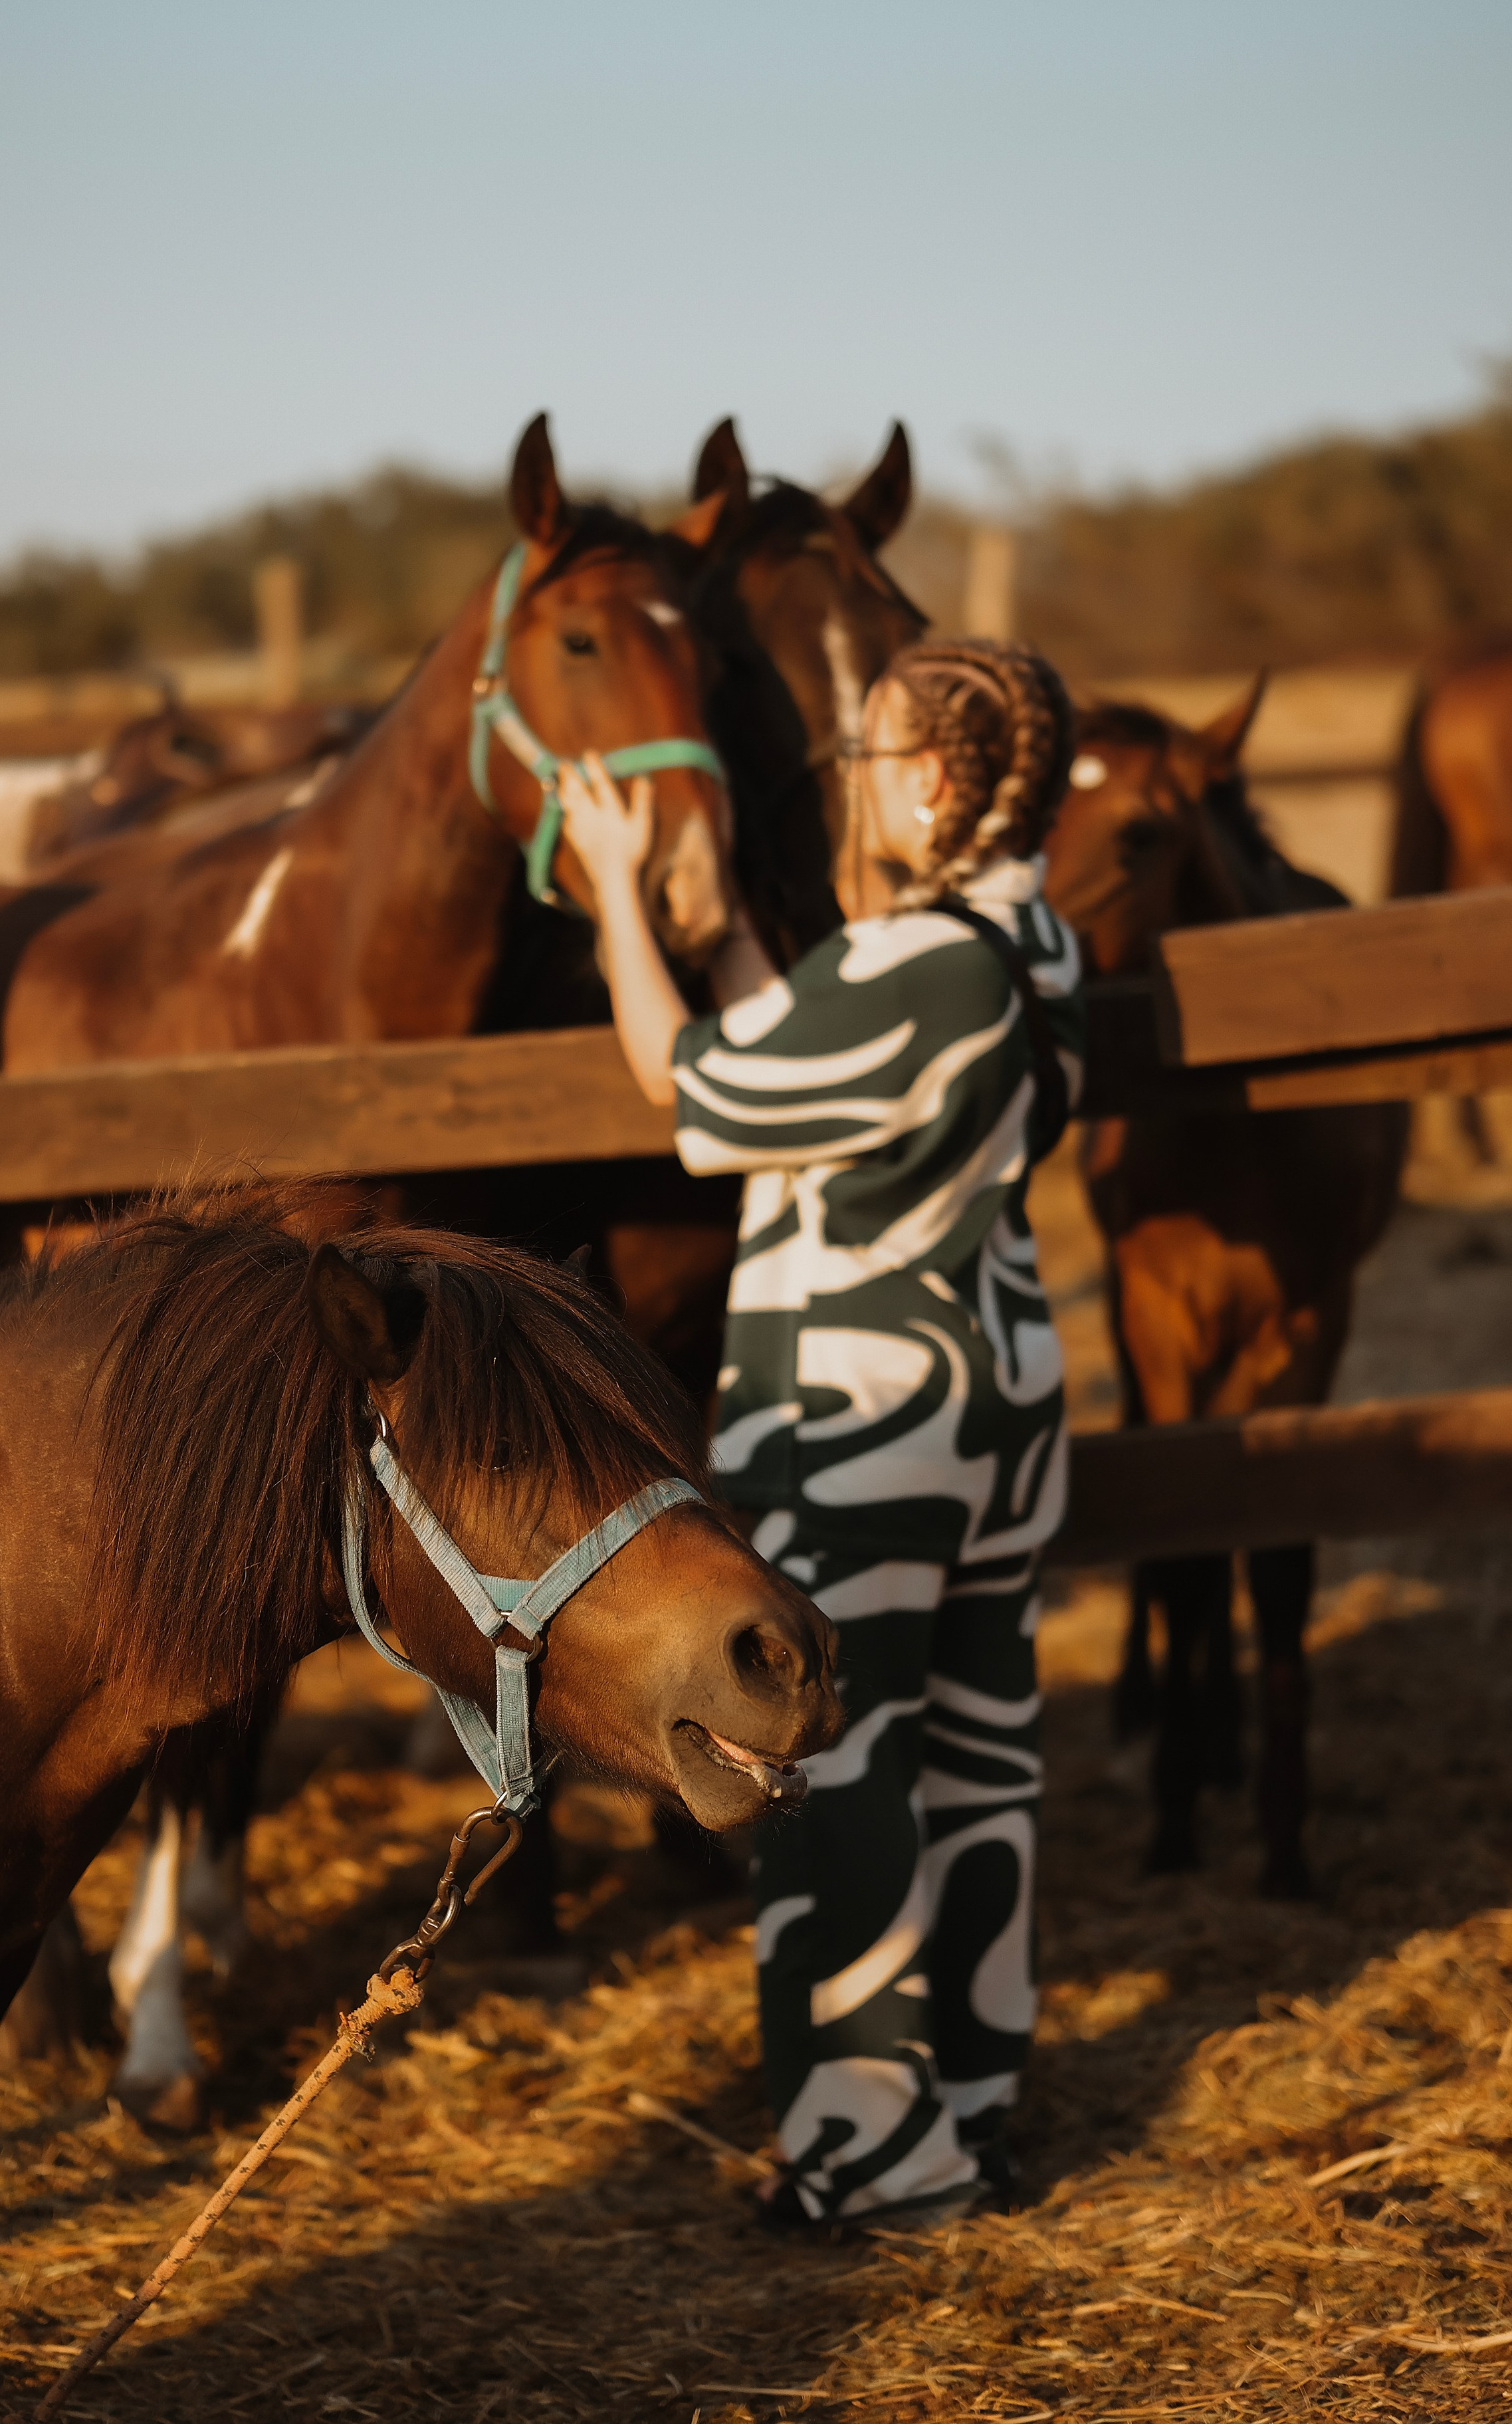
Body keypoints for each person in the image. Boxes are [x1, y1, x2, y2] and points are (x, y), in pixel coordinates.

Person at [557, 639, 1082, 2238]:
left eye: (867, 762)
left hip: (862, 1415)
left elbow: (700, 1094)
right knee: (980, 1762)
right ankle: (969, 2115)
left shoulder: (912, 956)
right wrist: (724, 936)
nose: (854, 791)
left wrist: (616, 896)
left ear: (926, 784)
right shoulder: (1035, 941)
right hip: (1001, 1403)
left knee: (832, 1772)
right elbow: (807, 1052)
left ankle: (868, 2155)